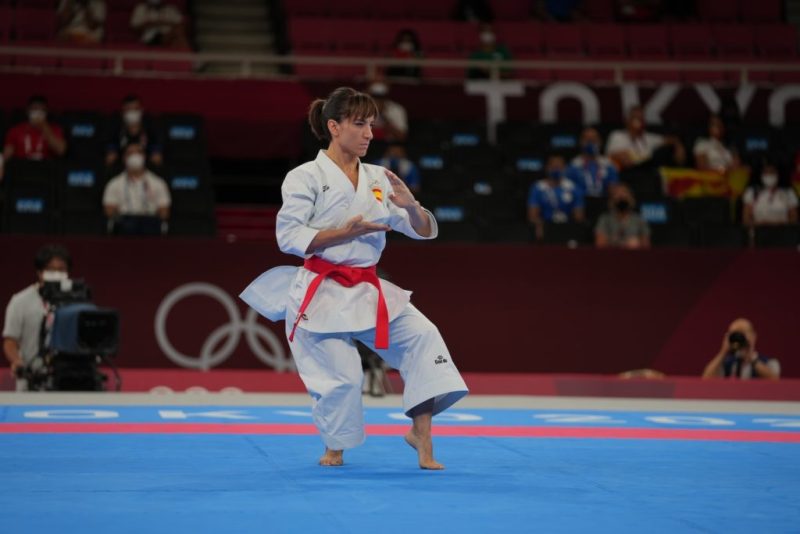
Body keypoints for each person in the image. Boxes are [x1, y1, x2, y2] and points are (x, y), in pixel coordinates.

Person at [240, 87, 468, 470]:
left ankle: (421, 435)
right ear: (333, 126)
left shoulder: (379, 177)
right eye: (359, 124)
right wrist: (343, 234)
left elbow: (421, 230)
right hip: (321, 290)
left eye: (371, 125)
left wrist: (412, 207)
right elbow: (289, 237)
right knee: (342, 380)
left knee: (423, 337)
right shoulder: (305, 177)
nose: (369, 133)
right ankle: (335, 447)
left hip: (367, 287)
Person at [3, 244, 72, 392]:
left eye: (61, 270)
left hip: (67, 382)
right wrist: (17, 361)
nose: (56, 274)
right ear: (39, 272)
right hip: (31, 380)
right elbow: (10, 341)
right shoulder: (20, 301)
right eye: (51, 270)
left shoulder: (75, 301)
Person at [103, 143, 171, 235]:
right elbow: (109, 210)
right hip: (125, 221)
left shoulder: (158, 182)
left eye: (139, 152)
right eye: (130, 153)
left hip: (149, 221)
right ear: (124, 158)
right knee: (127, 225)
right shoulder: (114, 183)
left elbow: (165, 212)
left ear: (144, 157)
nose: (135, 156)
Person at [0, 96, 67, 181]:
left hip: (46, 170)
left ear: (46, 112)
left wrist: (45, 128)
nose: (38, 113)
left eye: (41, 110)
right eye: (35, 109)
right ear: (28, 111)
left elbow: (61, 150)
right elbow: (7, 154)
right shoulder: (15, 130)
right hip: (21, 170)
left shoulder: (55, 129)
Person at [605, 105, 685, 171]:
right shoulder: (617, 135)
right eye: (635, 118)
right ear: (627, 120)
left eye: (641, 118)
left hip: (647, 173)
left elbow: (671, 140)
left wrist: (678, 146)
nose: (639, 121)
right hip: (626, 173)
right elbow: (622, 159)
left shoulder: (649, 137)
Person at [527, 154, 585, 241]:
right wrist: (539, 224)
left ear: (564, 168)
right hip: (546, 227)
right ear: (547, 168)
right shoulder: (538, 187)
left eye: (558, 167)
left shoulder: (573, 188)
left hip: (567, 227)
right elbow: (532, 215)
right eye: (553, 167)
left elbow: (579, 217)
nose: (556, 170)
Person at [702, 318, 780, 380]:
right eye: (734, 334)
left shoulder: (770, 362)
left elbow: (775, 382)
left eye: (742, 333)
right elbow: (706, 379)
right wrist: (723, 352)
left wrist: (752, 359)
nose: (738, 337)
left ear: (753, 336)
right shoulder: (727, 363)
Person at [106, 94, 164, 169]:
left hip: (146, 167)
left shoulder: (151, 126)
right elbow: (110, 149)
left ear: (141, 110)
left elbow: (157, 149)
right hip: (122, 167)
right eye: (128, 109)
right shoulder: (115, 127)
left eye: (135, 109)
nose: (132, 112)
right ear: (122, 112)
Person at [742, 159, 799, 227]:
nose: (769, 175)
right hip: (759, 231)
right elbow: (746, 218)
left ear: (778, 174)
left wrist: (781, 226)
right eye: (765, 172)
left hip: (783, 232)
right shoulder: (752, 191)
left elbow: (794, 217)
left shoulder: (788, 192)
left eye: (772, 172)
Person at [566, 127, 619, 198]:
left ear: (600, 142)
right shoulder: (573, 166)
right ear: (581, 142)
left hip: (603, 202)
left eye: (594, 140)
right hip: (582, 202)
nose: (590, 143)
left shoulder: (608, 165)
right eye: (587, 140)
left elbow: (613, 188)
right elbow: (569, 191)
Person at [594, 184, 650, 249]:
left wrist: (636, 244)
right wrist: (621, 244)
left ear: (631, 199)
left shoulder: (639, 220)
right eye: (618, 195)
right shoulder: (605, 219)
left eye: (625, 195)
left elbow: (646, 246)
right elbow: (599, 244)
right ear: (611, 200)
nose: (622, 198)